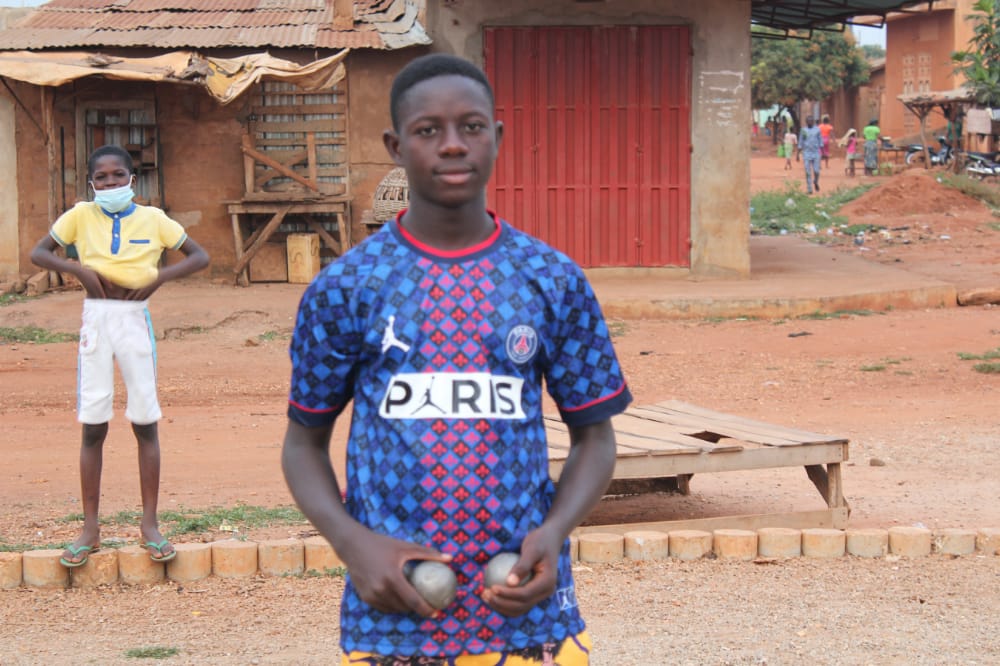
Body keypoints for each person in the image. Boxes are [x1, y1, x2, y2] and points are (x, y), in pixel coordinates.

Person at [281, 53, 632, 664]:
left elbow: (595, 438)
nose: (451, 144)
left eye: (470, 127)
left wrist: (554, 533)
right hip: (393, 619)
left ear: (496, 137)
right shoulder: (347, 286)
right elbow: (302, 445)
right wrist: (353, 545)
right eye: (428, 130)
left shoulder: (551, 278)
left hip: (526, 617)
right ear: (396, 146)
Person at [30, 145, 210, 568]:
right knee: (93, 424)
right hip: (97, 320)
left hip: (134, 319)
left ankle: (150, 525)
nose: (110, 183)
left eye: (117, 176)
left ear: (132, 179)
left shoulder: (154, 219)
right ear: (91, 183)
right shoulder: (80, 215)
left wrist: (159, 278)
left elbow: (200, 257)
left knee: (145, 421)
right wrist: (79, 270)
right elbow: (39, 252)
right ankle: (89, 529)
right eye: (102, 177)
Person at [798, 115, 823, 194]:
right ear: (806, 122)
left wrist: (822, 153)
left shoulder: (817, 130)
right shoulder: (803, 130)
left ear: (813, 122)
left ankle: (815, 181)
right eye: (808, 121)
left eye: (811, 121)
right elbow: (800, 142)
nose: (810, 122)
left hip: (816, 153)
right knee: (807, 172)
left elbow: (820, 141)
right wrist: (798, 154)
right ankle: (809, 189)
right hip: (806, 153)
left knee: (816, 171)